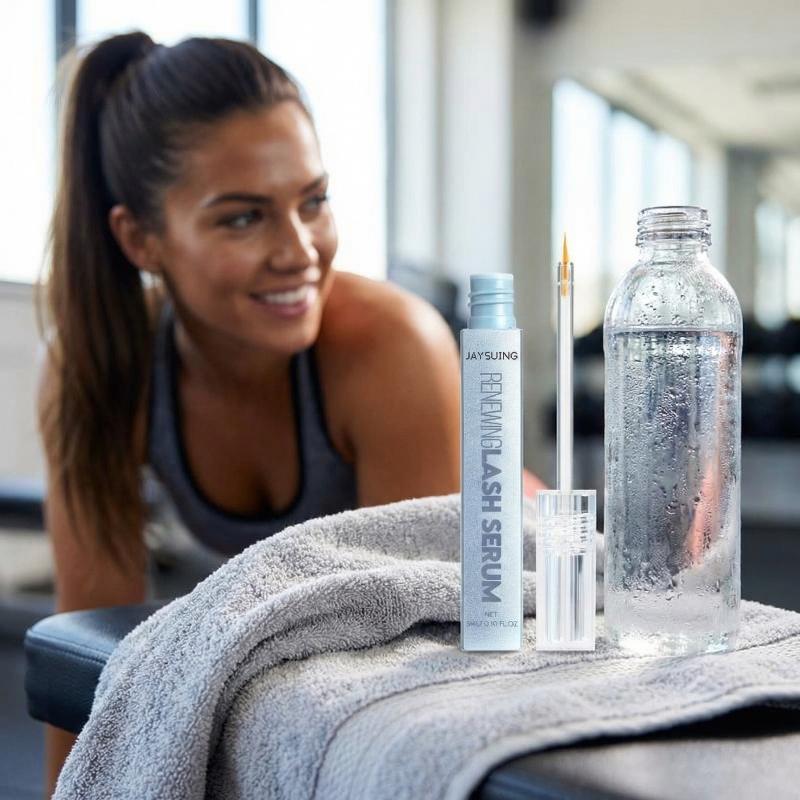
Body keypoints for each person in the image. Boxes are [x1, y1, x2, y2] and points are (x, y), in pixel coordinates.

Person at [37, 31, 546, 792]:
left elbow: (420, 674)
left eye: (314, 201)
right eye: (244, 218)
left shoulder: (394, 349)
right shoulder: (101, 367)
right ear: (140, 238)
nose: (301, 251)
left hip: (512, 588)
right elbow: (86, 664)